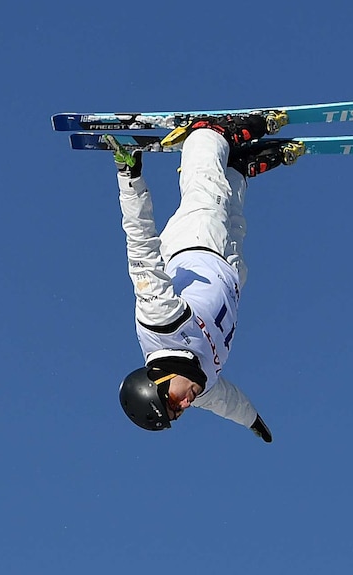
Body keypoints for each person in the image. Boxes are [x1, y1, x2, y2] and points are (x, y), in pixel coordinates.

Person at [113, 114, 304, 442]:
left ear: (156, 380)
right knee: (232, 213)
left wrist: (130, 180)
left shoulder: (160, 323)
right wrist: (252, 420)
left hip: (195, 243)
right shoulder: (203, 387)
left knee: (205, 190)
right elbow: (227, 403)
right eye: (180, 411)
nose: (186, 404)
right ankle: (237, 168)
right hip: (229, 269)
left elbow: (141, 247)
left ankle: (206, 135)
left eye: (173, 401)